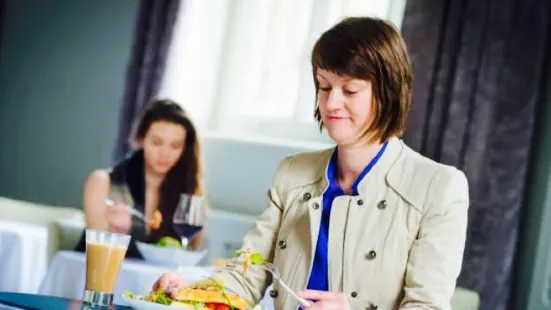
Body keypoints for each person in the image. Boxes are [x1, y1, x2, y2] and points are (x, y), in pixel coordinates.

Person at [153, 16, 469, 310]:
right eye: (324, 86)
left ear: (387, 93)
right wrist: (189, 291)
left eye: (350, 90)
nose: (332, 103)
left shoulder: (439, 188)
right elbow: (246, 276)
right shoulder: (292, 173)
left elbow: (427, 306)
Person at [75, 99, 209, 258]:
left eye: (175, 146)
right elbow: (97, 256)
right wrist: (116, 232)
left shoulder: (188, 194)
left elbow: (189, 252)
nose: (165, 154)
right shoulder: (102, 181)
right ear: (141, 139)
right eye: (157, 143)